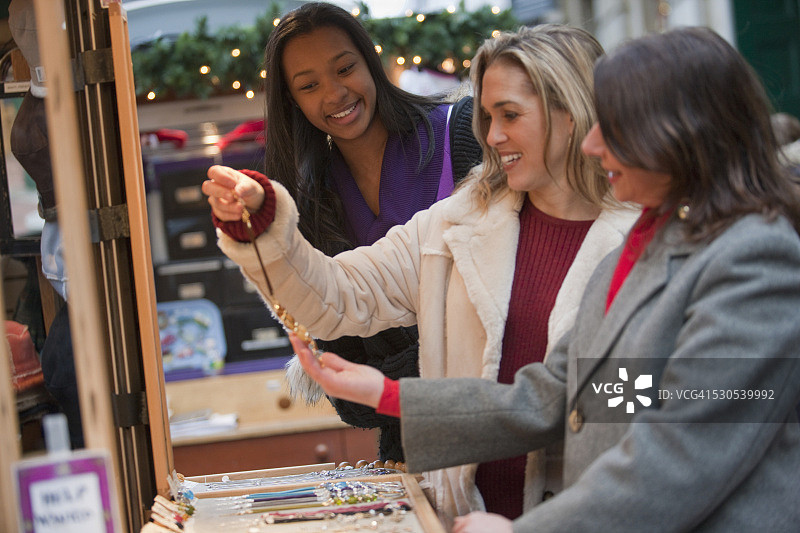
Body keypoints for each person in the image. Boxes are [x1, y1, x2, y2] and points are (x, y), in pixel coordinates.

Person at [291, 26, 800, 532]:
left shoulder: (755, 258)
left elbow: (681, 456)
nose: (593, 142)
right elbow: (565, 396)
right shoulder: (654, 243)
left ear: (683, 130)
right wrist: (390, 395)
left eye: (615, 124)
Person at [203, 25, 638, 523]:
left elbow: (643, 416)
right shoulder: (456, 222)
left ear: (570, 112)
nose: (492, 137)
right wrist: (262, 224)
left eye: (510, 116)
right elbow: (339, 294)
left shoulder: (644, 244)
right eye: (488, 116)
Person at [219, 2, 482, 462]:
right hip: (415, 457)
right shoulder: (307, 207)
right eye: (309, 85)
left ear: (369, 62)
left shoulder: (461, 136)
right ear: (292, 101)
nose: (335, 93)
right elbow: (347, 395)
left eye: (345, 68)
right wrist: (446, 364)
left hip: (508, 431)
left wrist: (391, 381)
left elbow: (510, 322)